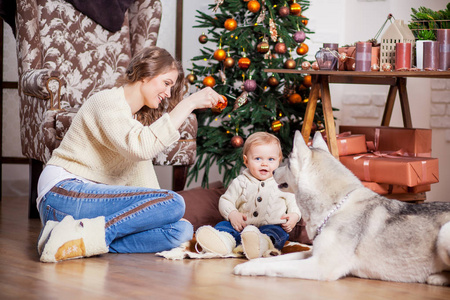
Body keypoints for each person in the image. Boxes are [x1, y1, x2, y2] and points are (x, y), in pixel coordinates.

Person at [36, 46, 224, 263]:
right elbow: (143, 148)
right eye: (166, 83)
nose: (168, 94)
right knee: (174, 201)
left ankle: (68, 238)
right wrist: (189, 103)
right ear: (145, 75)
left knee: (179, 230)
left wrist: (163, 215)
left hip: (80, 211)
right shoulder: (107, 102)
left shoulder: (132, 125)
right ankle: (87, 236)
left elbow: (150, 192)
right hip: (62, 194)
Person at [195, 132, 301, 259]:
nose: (264, 164)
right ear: (246, 161)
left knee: (277, 233)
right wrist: (232, 214)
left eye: (271, 159)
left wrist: (294, 215)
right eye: (258, 159)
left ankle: (262, 245)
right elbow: (225, 200)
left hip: (271, 226)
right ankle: (224, 242)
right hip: (241, 227)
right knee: (223, 226)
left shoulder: (282, 183)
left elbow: (294, 201)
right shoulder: (240, 181)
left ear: (279, 161)